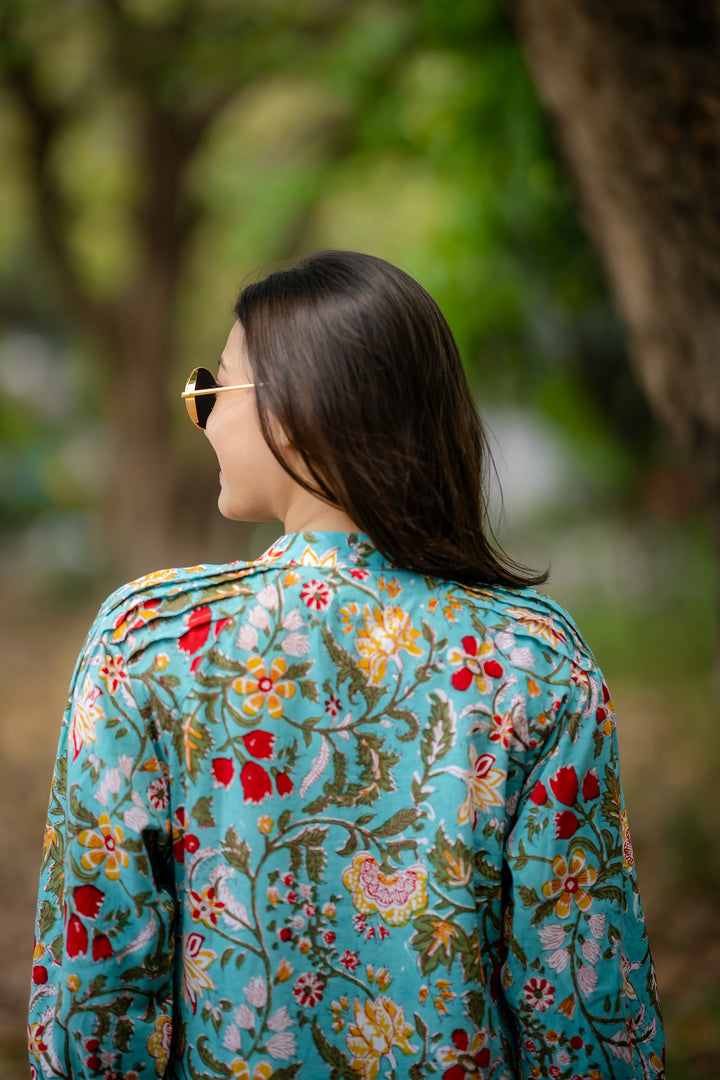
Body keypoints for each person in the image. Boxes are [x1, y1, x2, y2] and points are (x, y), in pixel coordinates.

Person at [29, 251, 664, 1080]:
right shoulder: (537, 660)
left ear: (291, 410)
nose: (205, 417)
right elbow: (585, 996)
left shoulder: (148, 642)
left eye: (213, 387)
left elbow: (96, 987)